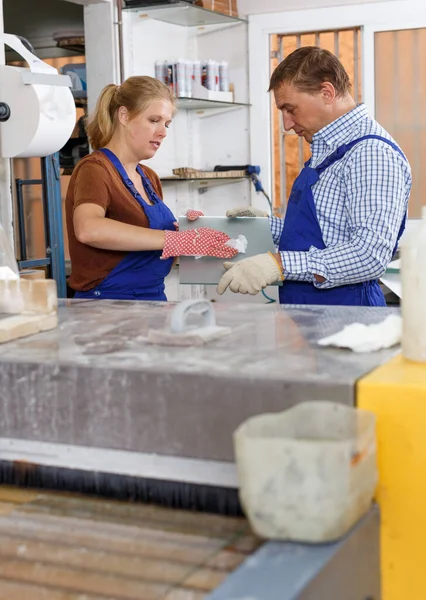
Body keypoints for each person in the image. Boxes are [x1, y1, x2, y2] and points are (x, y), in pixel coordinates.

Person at [215, 47, 412, 306]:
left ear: (326, 92)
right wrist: (266, 226)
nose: (286, 124)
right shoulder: (328, 149)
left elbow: (368, 256)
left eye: (290, 109)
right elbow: (329, 231)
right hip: (311, 311)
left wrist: (279, 264)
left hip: (348, 313)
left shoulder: (370, 153)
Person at [66, 76, 237, 301]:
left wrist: (187, 233)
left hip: (153, 298)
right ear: (124, 116)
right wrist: (173, 240)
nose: (163, 132)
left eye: (166, 124)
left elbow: (155, 252)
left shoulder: (149, 177)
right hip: (107, 303)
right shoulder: (95, 169)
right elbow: (89, 229)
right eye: (154, 120)